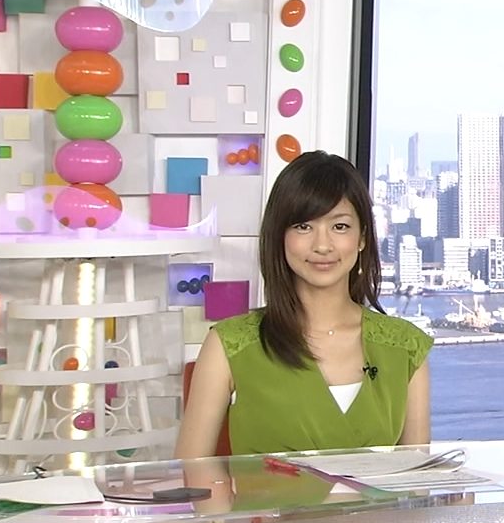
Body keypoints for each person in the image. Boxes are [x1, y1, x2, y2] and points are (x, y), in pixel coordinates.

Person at [175, 151, 432, 458]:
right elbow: (192, 473)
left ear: (362, 238)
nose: (322, 245)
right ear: (280, 236)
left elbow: (416, 475)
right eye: (303, 227)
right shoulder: (229, 344)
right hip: (260, 493)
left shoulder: (406, 347)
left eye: (340, 227)